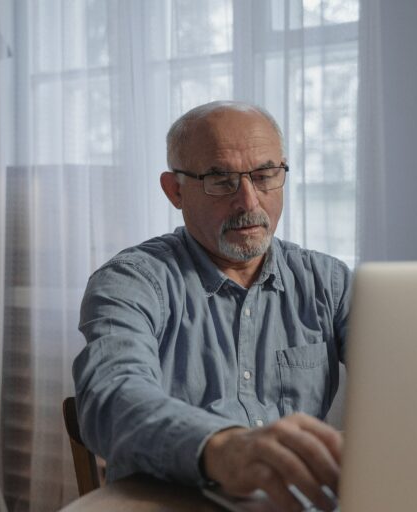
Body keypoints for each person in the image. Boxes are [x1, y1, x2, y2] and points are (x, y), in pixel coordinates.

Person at [73, 100, 351, 511]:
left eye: (264, 175)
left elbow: (405, 384)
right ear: (175, 191)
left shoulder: (328, 282)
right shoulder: (131, 281)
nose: (250, 202)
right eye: (221, 180)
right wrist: (222, 449)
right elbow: (111, 397)